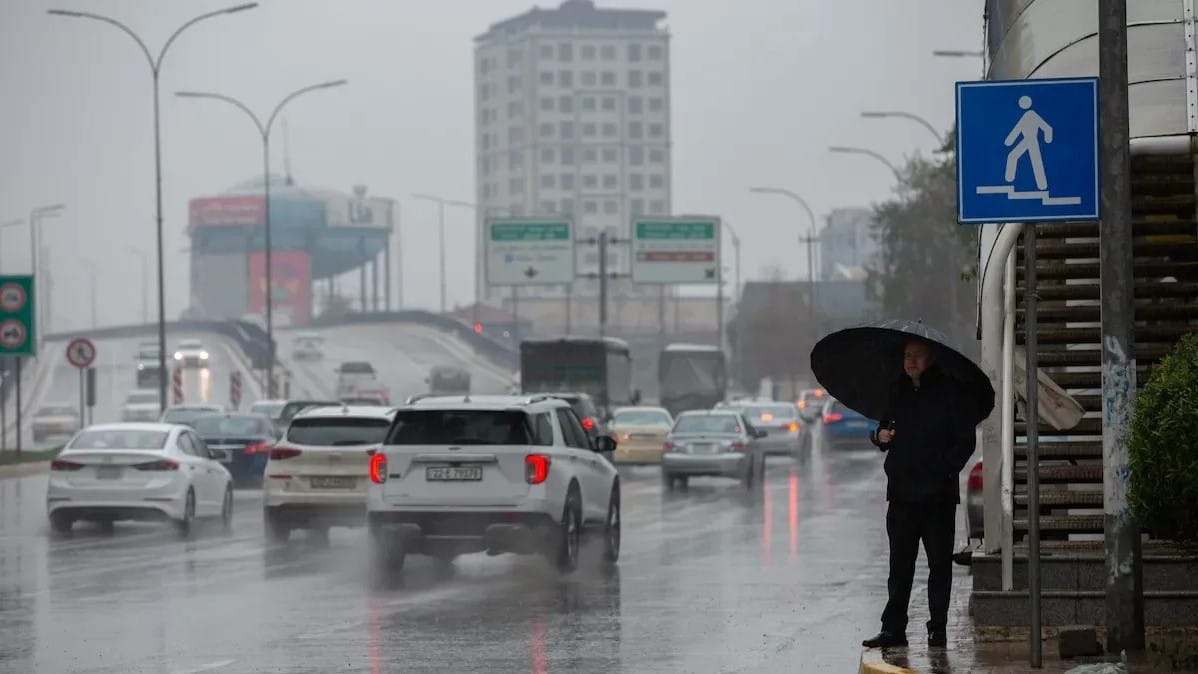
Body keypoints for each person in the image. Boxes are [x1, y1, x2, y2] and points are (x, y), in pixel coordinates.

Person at [862, 338, 977, 650]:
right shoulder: (897, 391)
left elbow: (965, 441)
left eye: (917, 356)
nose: (910, 361)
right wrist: (880, 436)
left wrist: (944, 470)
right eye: (906, 356)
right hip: (901, 495)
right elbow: (884, 430)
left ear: (931, 358)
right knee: (899, 567)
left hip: (937, 497)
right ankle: (893, 629)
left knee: (939, 566)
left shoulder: (950, 393)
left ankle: (937, 629)